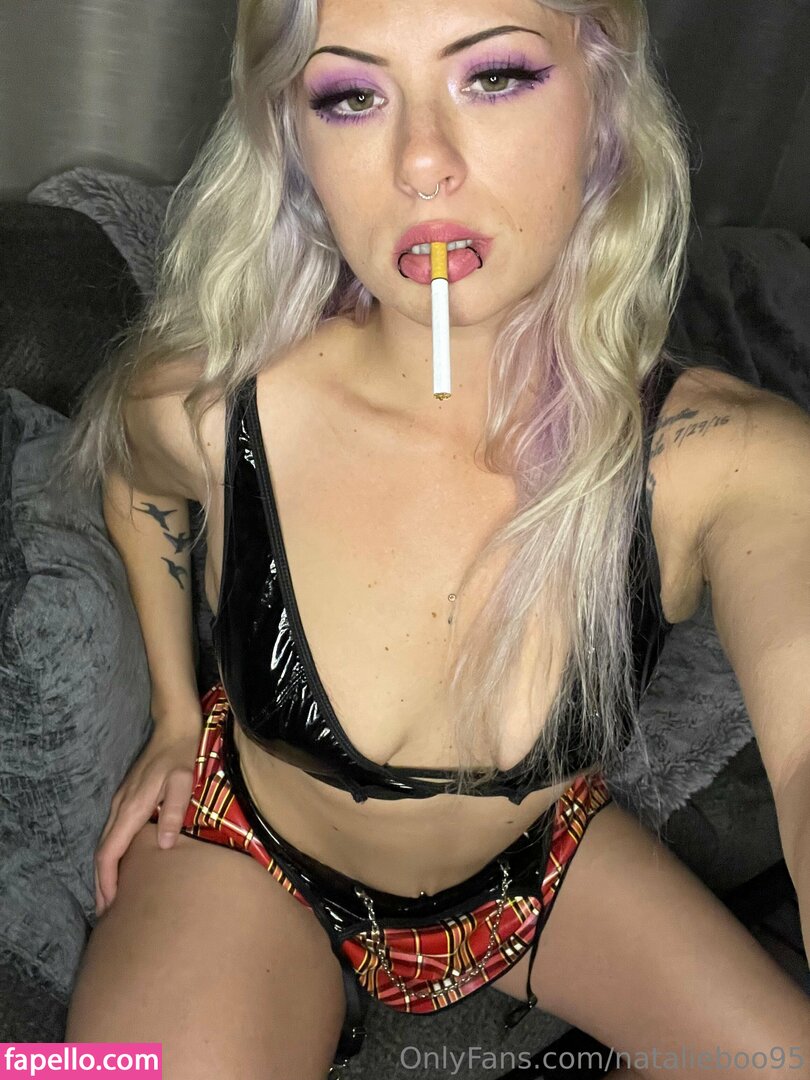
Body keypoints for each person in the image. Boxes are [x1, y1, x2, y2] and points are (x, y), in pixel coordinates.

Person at [60, 0, 810, 1077]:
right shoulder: (212, 409)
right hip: (248, 850)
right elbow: (139, 487)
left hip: (530, 876)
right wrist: (178, 714)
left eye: (495, 77)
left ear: (605, 98)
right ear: (294, 141)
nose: (420, 162)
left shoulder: (719, 461)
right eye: (351, 95)